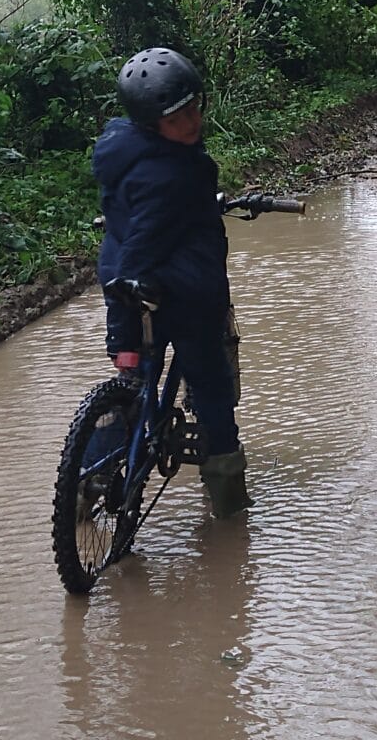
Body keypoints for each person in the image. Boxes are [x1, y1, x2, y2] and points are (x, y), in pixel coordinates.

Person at [91, 46, 251, 518]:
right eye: (178, 118)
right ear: (151, 124)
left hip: (131, 291)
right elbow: (150, 236)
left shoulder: (121, 149)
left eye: (194, 108)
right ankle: (229, 507)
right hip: (181, 295)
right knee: (213, 389)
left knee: (134, 381)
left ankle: (88, 483)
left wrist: (121, 305)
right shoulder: (176, 173)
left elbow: (136, 227)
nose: (192, 122)